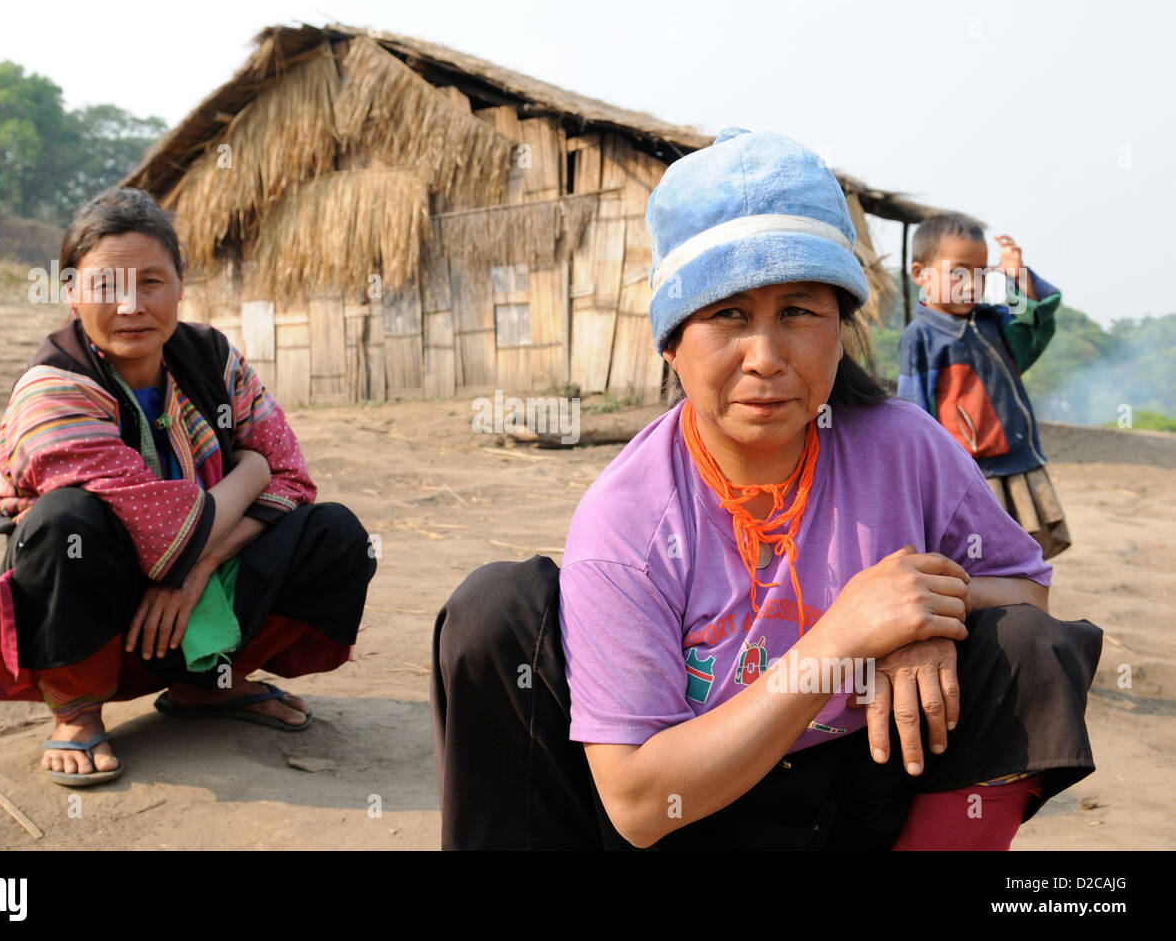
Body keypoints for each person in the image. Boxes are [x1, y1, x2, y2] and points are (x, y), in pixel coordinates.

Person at [430, 129, 1102, 850]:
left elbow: (1026, 593)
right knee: (496, 609)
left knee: (1027, 648)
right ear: (671, 342)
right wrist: (843, 635)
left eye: (798, 310)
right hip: (690, 809)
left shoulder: (905, 449)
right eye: (728, 314)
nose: (767, 356)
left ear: (839, 327)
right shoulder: (630, 514)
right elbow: (636, 801)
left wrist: (918, 613)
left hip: (855, 794)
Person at [0, 188, 377, 787]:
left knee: (334, 534)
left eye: (151, 282)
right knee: (64, 523)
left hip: (196, 590)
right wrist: (251, 471)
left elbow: (292, 475)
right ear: (72, 293)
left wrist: (195, 567)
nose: (131, 306)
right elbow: (167, 528)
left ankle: (207, 685)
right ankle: (78, 713)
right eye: (106, 286)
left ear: (181, 283)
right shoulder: (51, 388)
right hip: (104, 608)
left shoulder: (211, 357)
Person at [897, 215, 1070, 558]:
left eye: (980, 273)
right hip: (970, 476)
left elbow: (1031, 318)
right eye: (959, 272)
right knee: (976, 563)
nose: (971, 284)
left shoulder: (992, 323)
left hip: (1018, 466)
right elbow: (914, 414)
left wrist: (1015, 274)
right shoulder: (923, 337)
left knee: (1024, 558)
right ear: (920, 275)